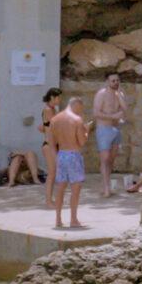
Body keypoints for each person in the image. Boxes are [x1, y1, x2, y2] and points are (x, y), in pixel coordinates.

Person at [47, 94, 91, 230]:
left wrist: (55, 156)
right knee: (75, 188)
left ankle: (58, 219)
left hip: (61, 154)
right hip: (73, 154)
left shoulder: (55, 119)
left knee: (61, 187)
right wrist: (86, 131)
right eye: (80, 108)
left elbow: (50, 141)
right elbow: (82, 141)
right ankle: (73, 219)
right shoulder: (77, 120)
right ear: (76, 105)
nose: (80, 111)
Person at [92, 74, 129, 191]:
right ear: (107, 82)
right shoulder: (101, 94)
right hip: (104, 129)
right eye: (113, 81)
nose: (116, 83)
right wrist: (113, 116)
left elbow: (125, 110)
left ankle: (105, 184)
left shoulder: (120, 95)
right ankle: (106, 187)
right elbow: (96, 113)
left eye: (118, 80)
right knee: (105, 158)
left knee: (111, 159)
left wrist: (119, 96)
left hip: (115, 129)